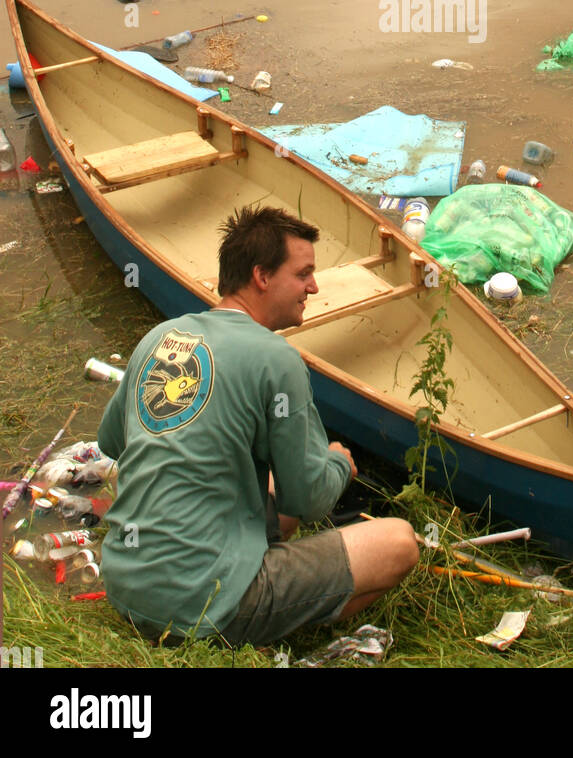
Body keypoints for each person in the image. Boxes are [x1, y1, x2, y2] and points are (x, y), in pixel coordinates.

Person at [97, 205, 419, 645]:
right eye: (303, 273)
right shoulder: (276, 359)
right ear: (262, 277)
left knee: (271, 496)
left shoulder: (161, 337)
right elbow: (309, 500)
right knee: (399, 543)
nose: (314, 286)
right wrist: (338, 464)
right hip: (200, 603)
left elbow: (111, 441)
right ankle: (274, 626)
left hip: (126, 584)